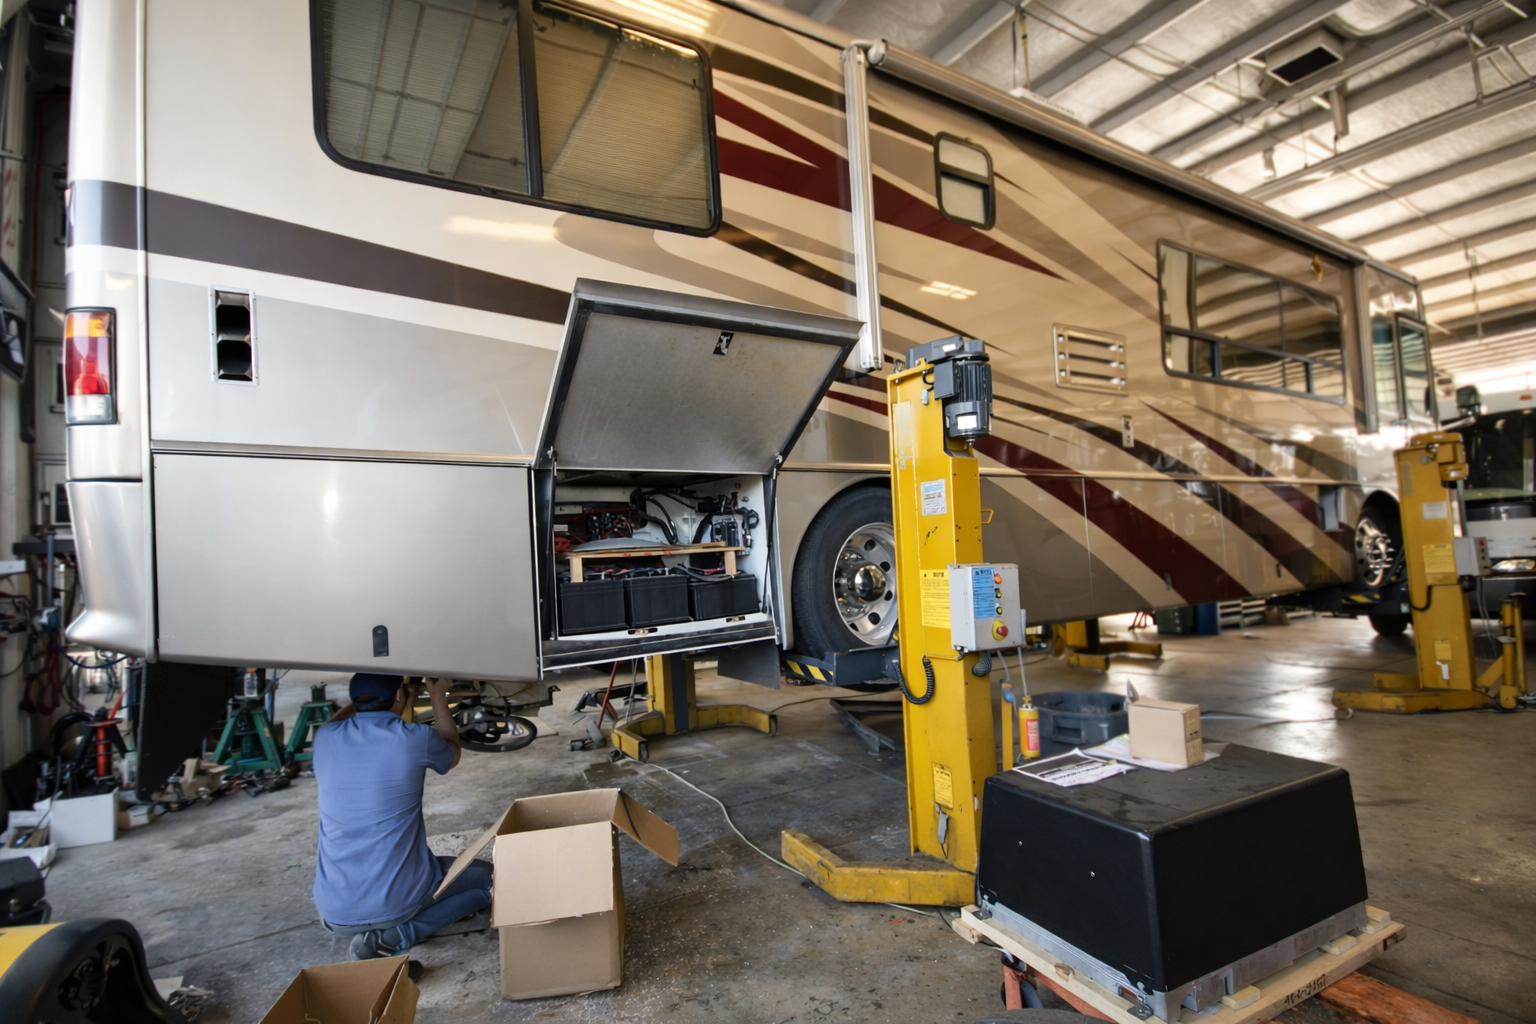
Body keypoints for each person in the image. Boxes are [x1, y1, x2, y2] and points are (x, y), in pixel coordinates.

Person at [311, 673, 491, 961]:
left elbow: (343, 717)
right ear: (399, 695)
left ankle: (388, 923)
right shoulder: (415, 739)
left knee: (444, 867)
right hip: (392, 902)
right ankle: (391, 938)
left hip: (333, 907)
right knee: (490, 880)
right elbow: (452, 752)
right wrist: (436, 696)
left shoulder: (325, 739)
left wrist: (391, 695)